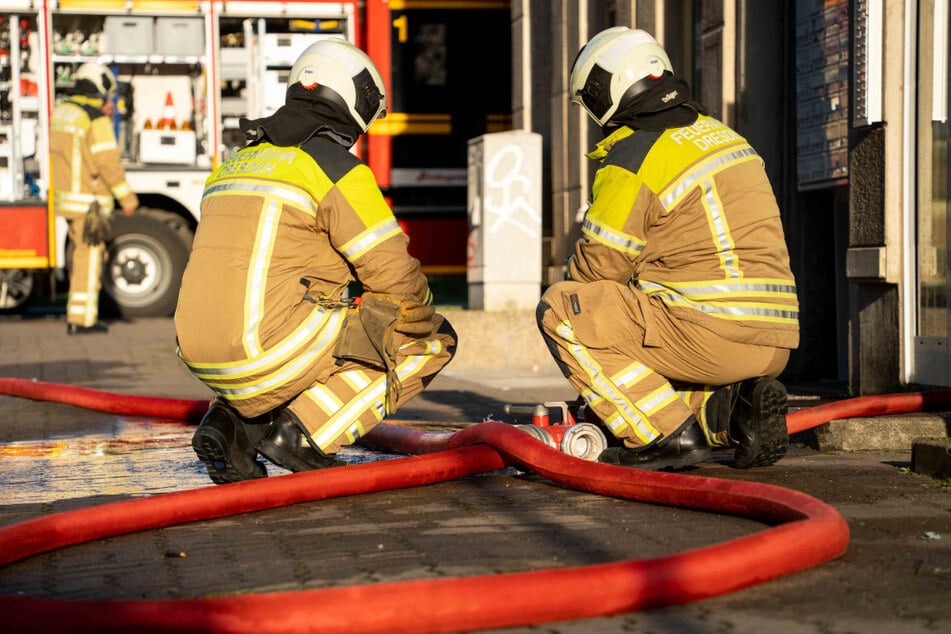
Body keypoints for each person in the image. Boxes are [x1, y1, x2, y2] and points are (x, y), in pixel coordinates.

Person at [175, 39, 457, 485]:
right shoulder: (334, 168)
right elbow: (395, 277)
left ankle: (230, 428)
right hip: (265, 350)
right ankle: (306, 435)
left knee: (308, 318)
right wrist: (416, 310)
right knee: (426, 336)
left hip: (199, 353)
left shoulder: (235, 162)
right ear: (352, 107)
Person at [536, 27, 799, 471]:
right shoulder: (725, 137)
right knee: (645, 365)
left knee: (564, 310)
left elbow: (597, 273)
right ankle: (735, 411)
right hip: (775, 343)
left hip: (713, 335)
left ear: (609, 90)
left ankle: (664, 438)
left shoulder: (636, 155)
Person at [51, 63, 138, 335]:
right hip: (89, 203)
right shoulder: (95, 120)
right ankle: (82, 320)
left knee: (81, 255)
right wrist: (127, 198)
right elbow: (108, 163)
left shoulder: (64, 112)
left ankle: (77, 316)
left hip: (68, 200)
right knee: (89, 258)